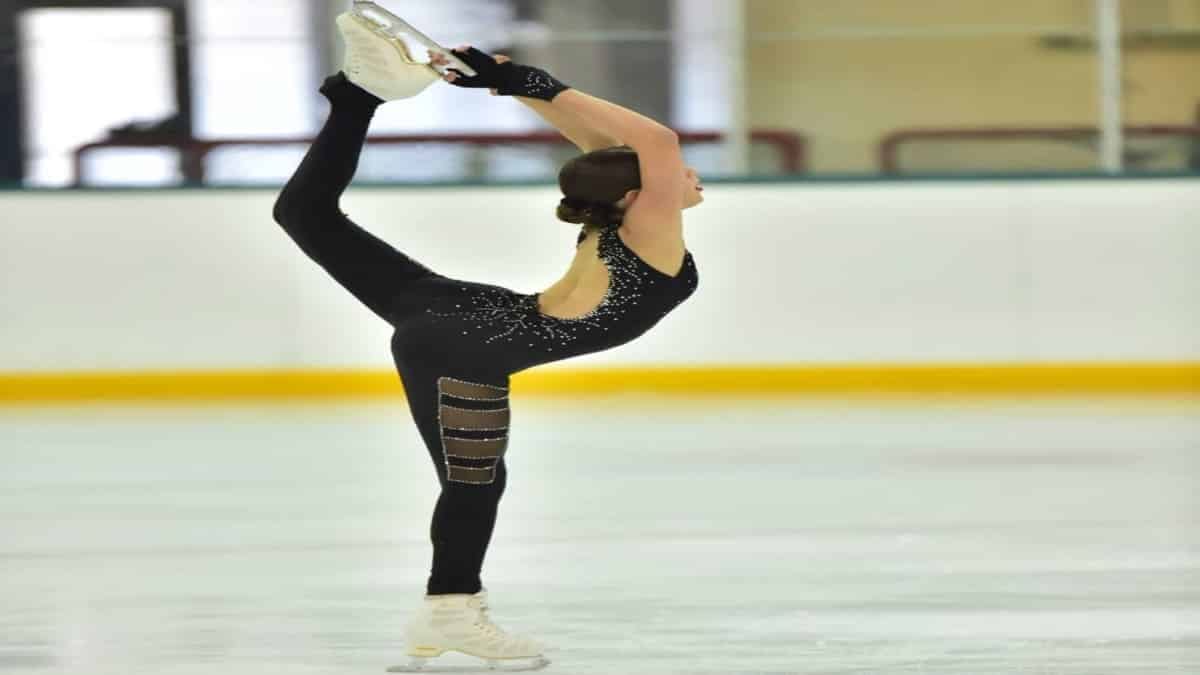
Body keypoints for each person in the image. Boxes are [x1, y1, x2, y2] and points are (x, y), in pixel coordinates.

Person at [272, 12, 702, 671]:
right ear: (641, 196)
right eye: (676, 179)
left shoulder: (617, 214)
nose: (689, 179)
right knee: (474, 486)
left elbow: (609, 145)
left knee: (305, 214)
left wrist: (508, 82)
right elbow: (657, 142)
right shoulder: (648, 235)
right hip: (466, 344)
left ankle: (358, 95)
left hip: (462, 312)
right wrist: (525, 79)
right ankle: (451, 610)